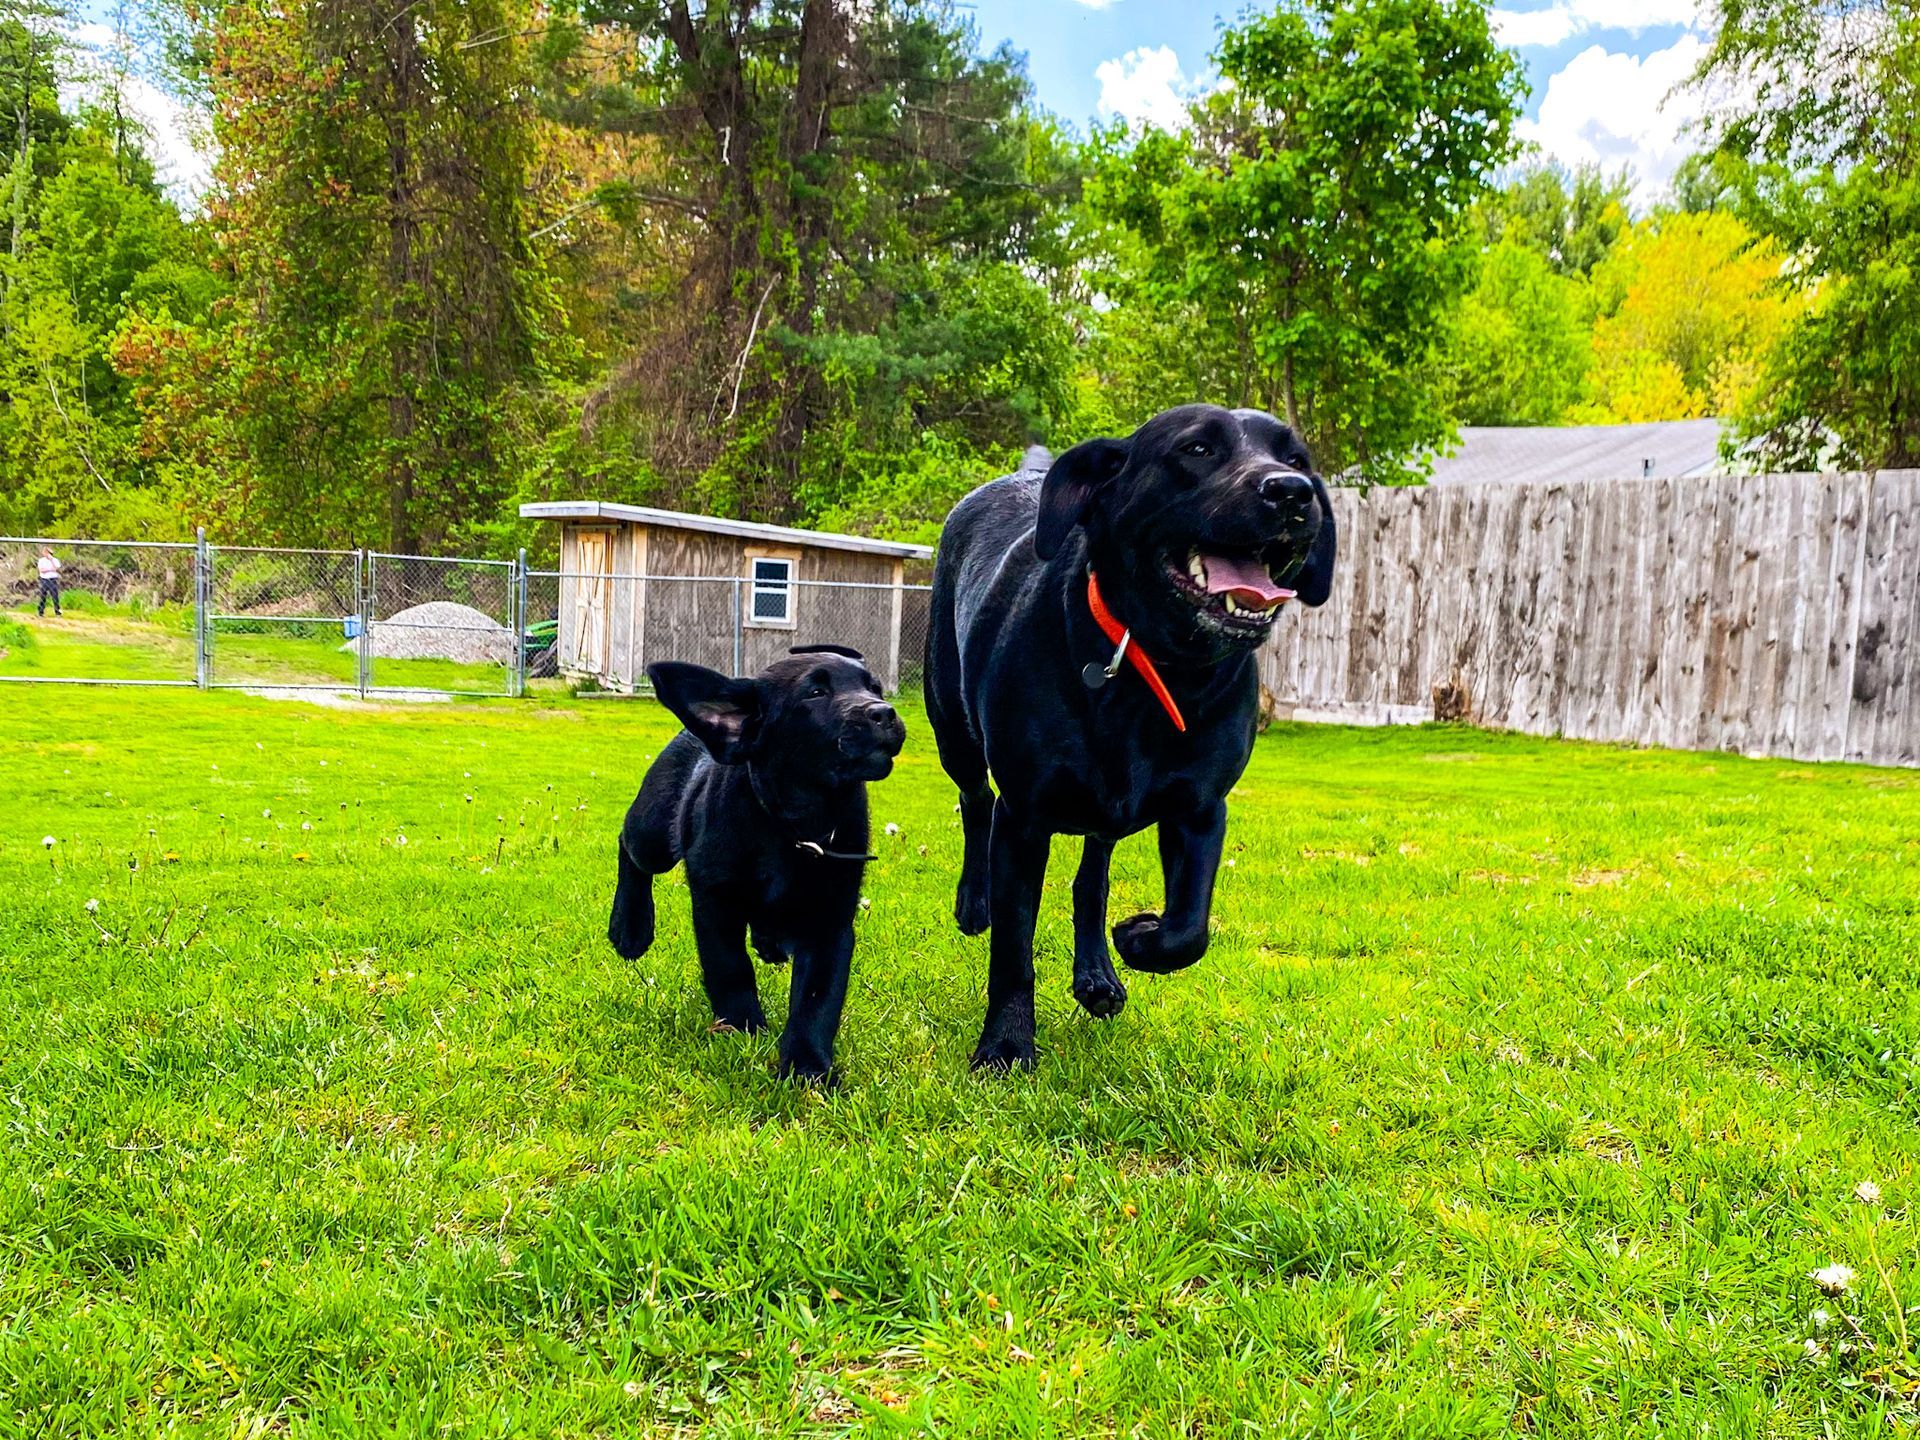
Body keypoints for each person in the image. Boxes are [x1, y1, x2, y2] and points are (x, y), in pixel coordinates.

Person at [36, 546, 61, 617]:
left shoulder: (55, 560)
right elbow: (42, 570)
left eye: (47, 553)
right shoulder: (41, 560)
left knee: (55, 596)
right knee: (42, 596)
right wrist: (50, 569)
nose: (45, 554)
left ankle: (57, 612)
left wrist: (51, 560)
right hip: (44, 579)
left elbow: (56, 568)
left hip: (53, 579)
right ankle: (40, 612)